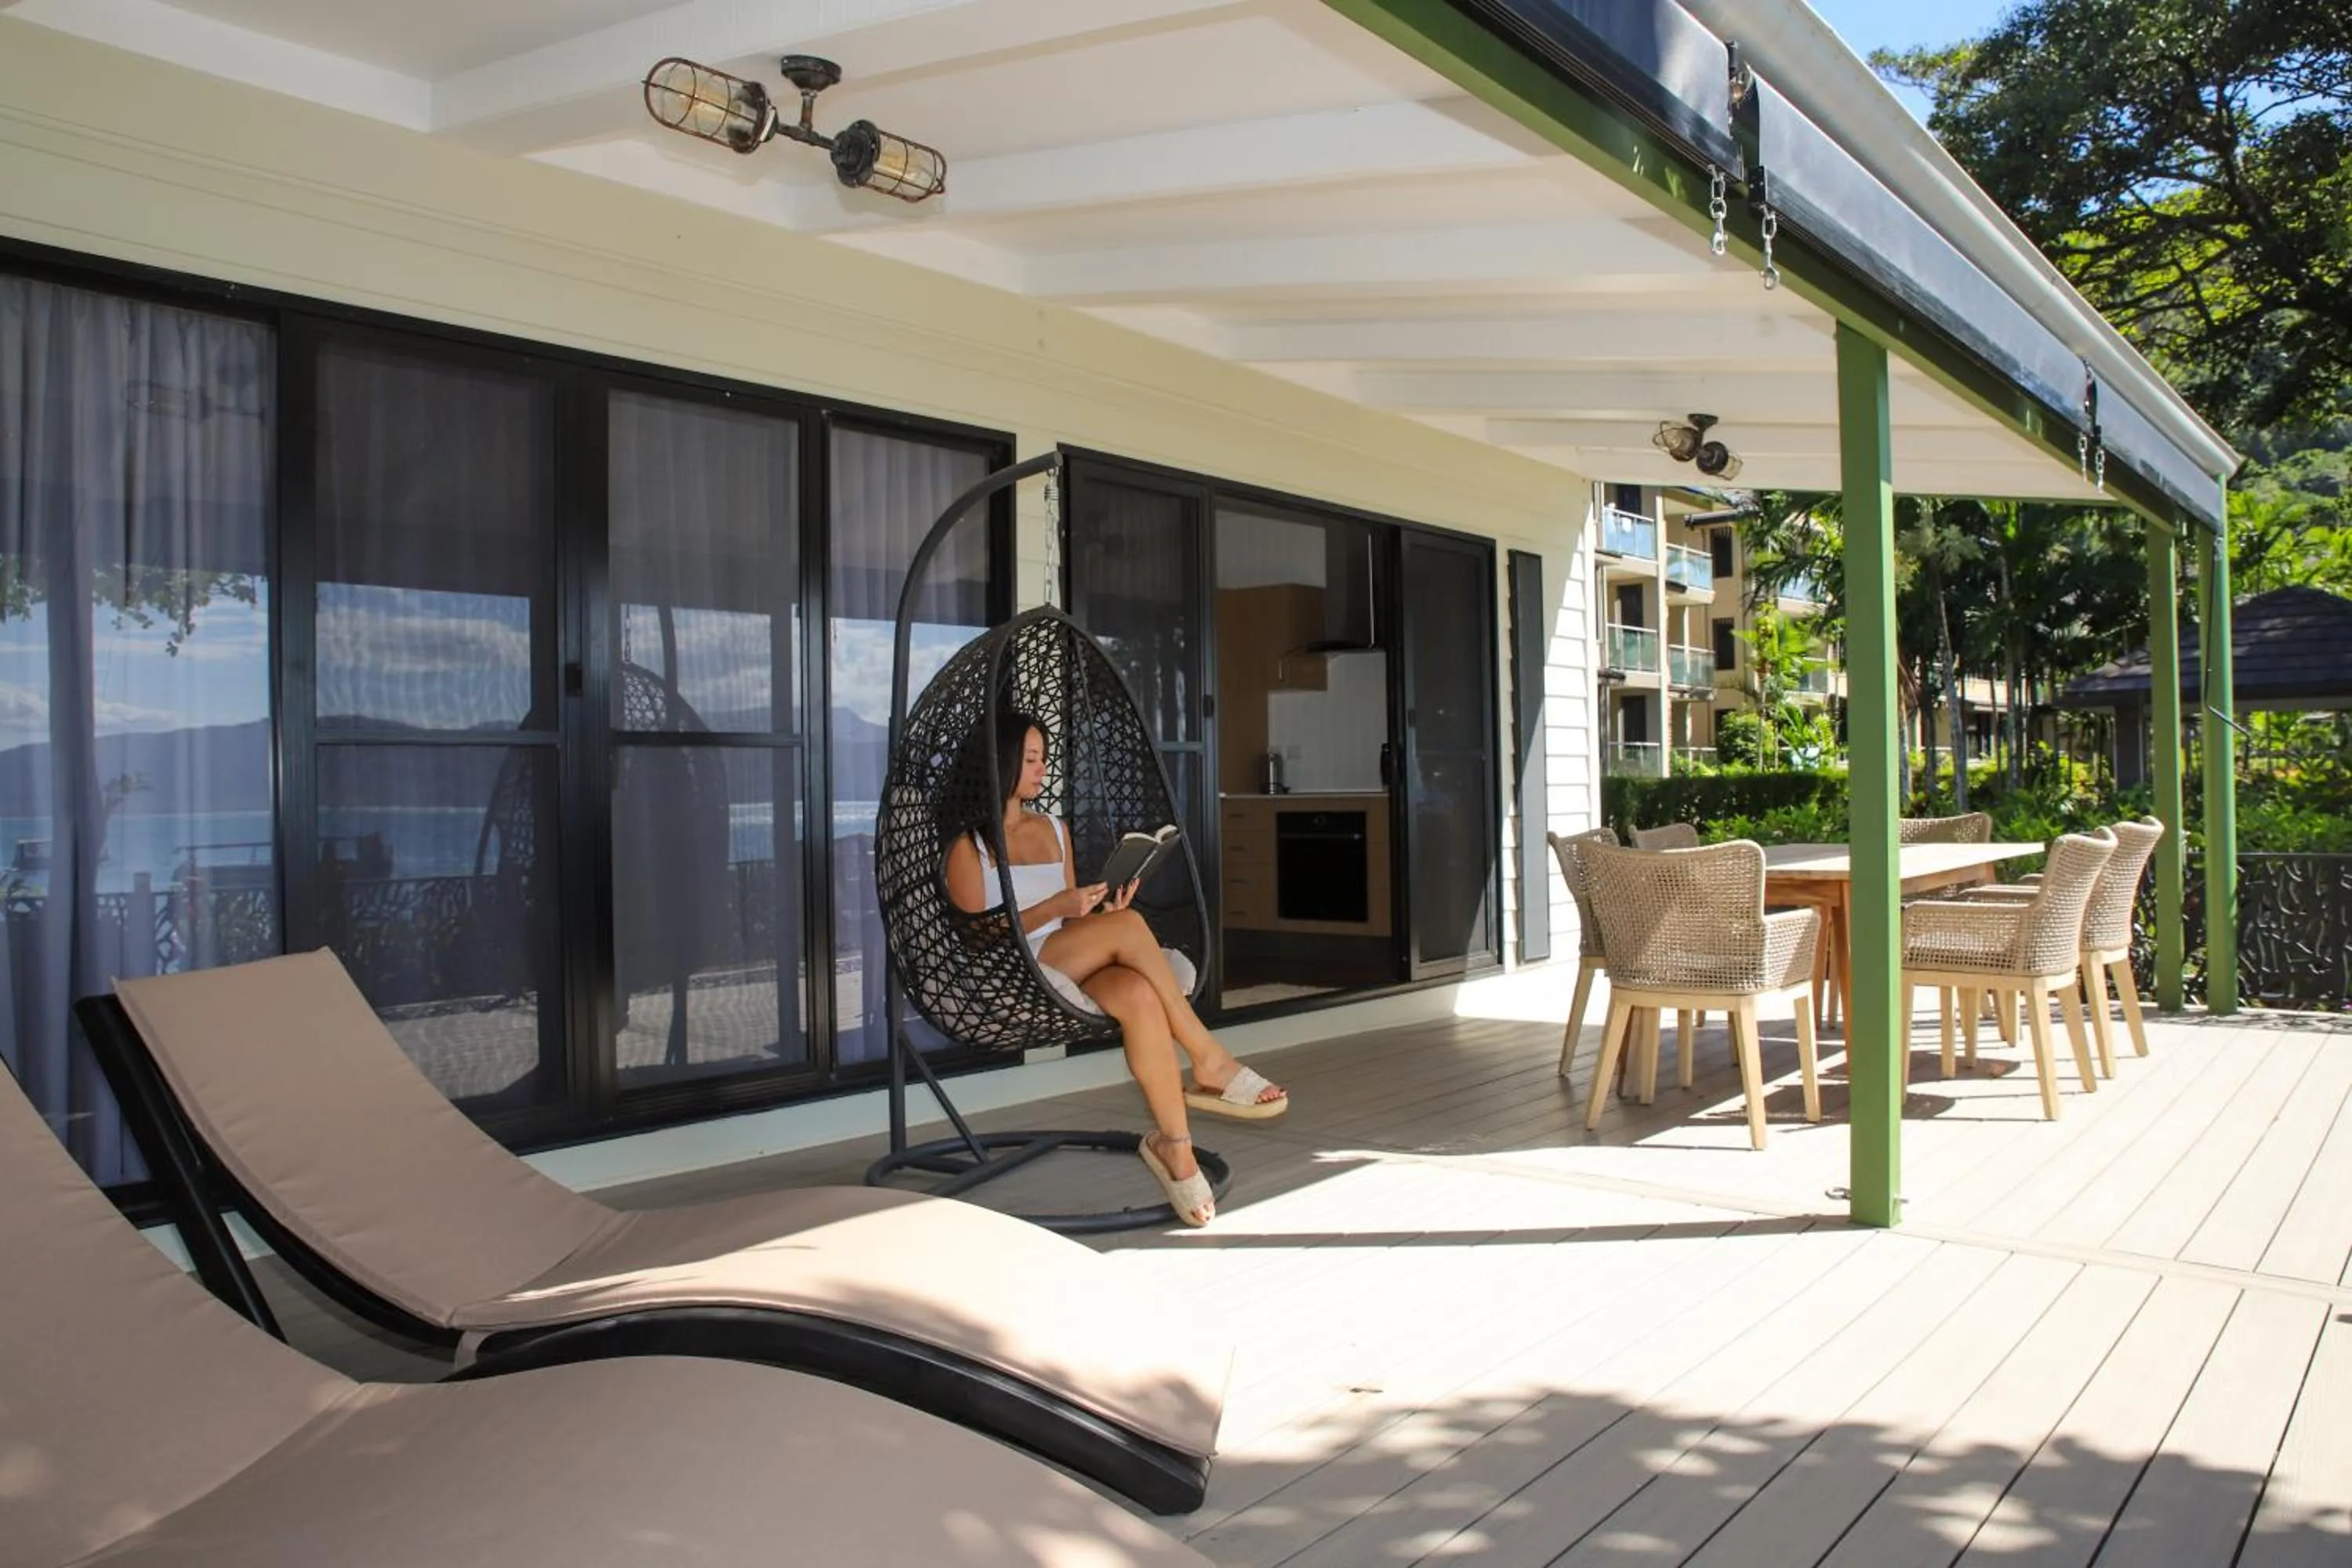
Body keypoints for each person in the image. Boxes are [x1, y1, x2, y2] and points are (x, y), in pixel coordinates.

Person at [944, 710, 1287, 1226]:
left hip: (1065, 957)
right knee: (1127, 934)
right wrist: (1058, 908)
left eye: (1044, 757)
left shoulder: (1054, 829)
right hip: (1009, 969)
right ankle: (1210, 1058)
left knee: (1138, 991)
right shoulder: (967, 846)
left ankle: (1175, 1147)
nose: (1043, 768)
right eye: (1032, 758)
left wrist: (1103, 913)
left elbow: (1070, 919)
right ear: (1002, 761)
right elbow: (975, 936)